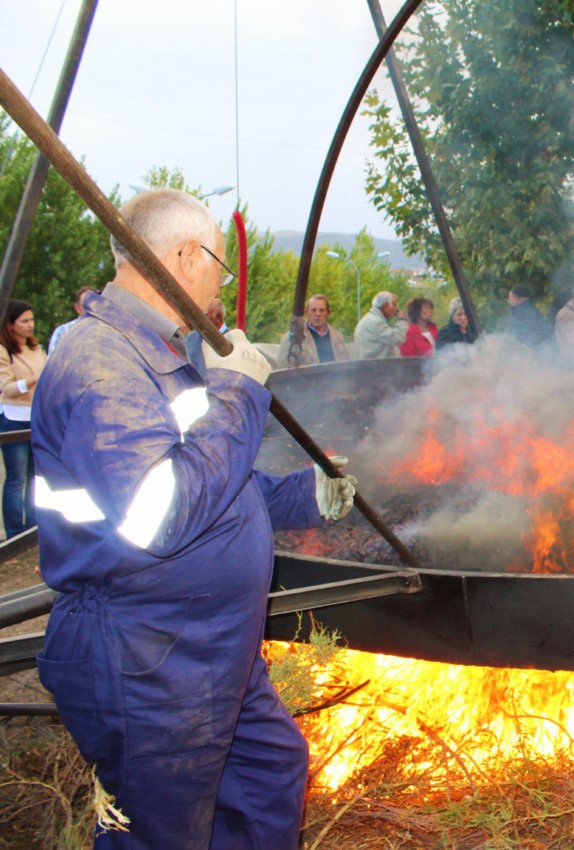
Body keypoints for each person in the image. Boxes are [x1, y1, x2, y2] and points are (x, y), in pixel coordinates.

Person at [30, 188, 357, 849]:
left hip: (209, 645)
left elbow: (217, 487)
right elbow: (160, 516)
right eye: (219, 264)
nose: (219, 284)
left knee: (268, 772)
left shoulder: (162, 355)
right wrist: (238, 392)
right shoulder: (103, 361)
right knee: (161, 834)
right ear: (185, 254)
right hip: (148, 655)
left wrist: (307, 494)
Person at [0, 299, 47, 538]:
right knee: (16, 479)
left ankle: (33, 527)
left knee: (35, 477)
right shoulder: (3, 350)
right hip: (13, 418)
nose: (31, 325)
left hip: (36, 417)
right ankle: (14, 532)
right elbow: (5, 388)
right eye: (25, 321)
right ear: (10, 324)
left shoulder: (36, 347)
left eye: (32, 320)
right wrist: (31, 380)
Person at [279, 293, 351, 366]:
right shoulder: (293, 338)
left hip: (336, 377)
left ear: (328, 313)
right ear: (307, 312)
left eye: (322, 310)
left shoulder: (337, 337)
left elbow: (347, 366)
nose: (317, 314)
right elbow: (282, 369)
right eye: (313, 310)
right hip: (306, 377)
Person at [354, 290, 407, 359]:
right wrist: (402, 320)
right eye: (394, 305)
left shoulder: (369, 319)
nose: (397, 309)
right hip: (376, 368)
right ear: (385, 306)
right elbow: (399, 339)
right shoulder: (375, 322)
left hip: (369, 366)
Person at [46, 286, 97, 355]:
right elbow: (52, 363)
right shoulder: (62, 332)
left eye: (94, 305)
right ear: (77, 308)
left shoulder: (108, 332)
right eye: (86, 306)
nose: (90, 310)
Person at [184, 297, 228, 378]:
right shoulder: (192, 338)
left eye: (204, 315)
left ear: (218, 317)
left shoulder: (232, 342)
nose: (197, 320)